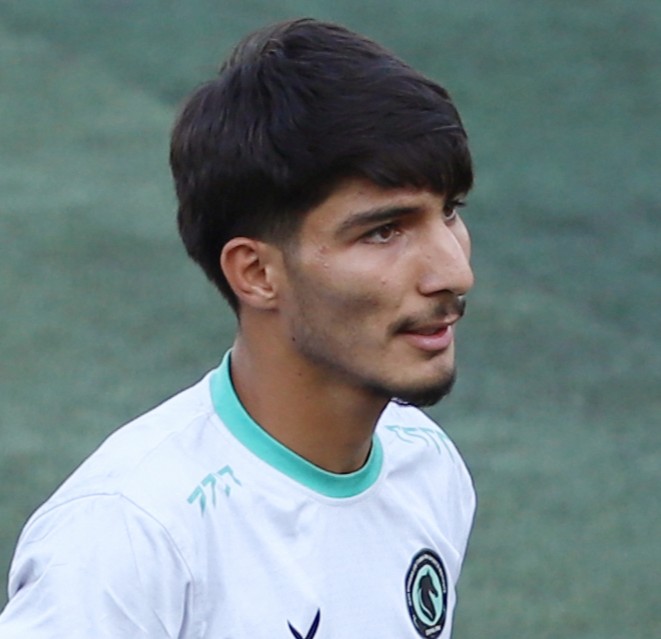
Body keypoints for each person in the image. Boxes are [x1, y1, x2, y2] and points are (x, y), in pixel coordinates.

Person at [0, 17, 476, 638]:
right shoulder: (128, 540)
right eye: (384, 232)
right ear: (256, 273)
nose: (454, 272)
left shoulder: (426, 465)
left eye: (450, 213)